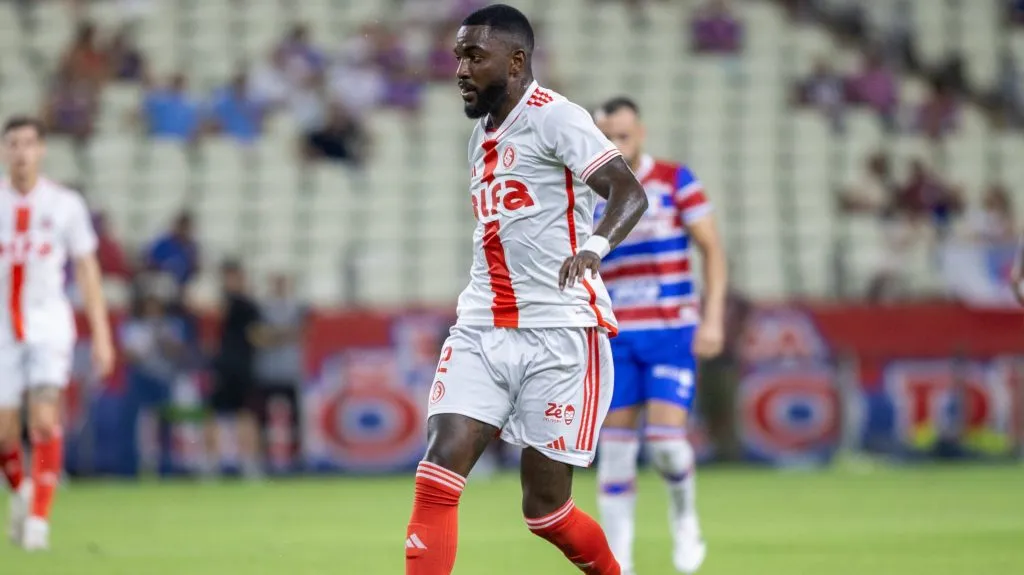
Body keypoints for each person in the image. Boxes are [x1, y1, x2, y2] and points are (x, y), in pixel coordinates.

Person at [404, 6, 648, 575]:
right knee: (437, 474)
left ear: (516, 62)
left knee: (546, 512)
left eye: (474, 56)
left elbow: (628, 193)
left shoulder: (556, 118)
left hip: (560, 332)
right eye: (458, 56)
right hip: (482, 325)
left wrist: (595, 247)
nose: (460, 69)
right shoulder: (479, 138)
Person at [592, 97, 727, 575]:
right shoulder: (589, 192)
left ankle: (685, 517)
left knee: (667, 443)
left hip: (671, 331)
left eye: (622, 135)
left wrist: (712, 319)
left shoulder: (675, 180)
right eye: (605, 135)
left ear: (641, 133)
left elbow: (711, 249)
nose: (614, 144)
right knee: (615, 453)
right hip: (615, 337)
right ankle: (620, 563)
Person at [0, 116, 115, 550]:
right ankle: (21, 491)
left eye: (29, 143)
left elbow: (87, 269)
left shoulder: (65, 205)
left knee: (45, 418)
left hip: (48, 324)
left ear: (42, 149)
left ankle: (38, 522)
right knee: (4, 430)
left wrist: (102, 336)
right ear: (3, 152)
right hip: (2, 329)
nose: (22, 152)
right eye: (13, 143)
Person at [206, 260, 266, 478]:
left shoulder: (246, 305)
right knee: (217, 414)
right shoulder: (225, 303)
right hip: (225, 366)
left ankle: (247, 462)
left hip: (241, 367)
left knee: (244, 414)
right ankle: (212, 462)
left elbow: (256, 336)